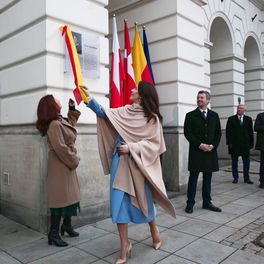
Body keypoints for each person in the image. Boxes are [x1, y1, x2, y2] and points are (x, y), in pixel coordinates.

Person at [82, 82, 176, 264]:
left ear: (141, 96)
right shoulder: (125, 111)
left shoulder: (153, 119)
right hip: (120, 164)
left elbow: (155, 145)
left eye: (135, 89)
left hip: (140, 167)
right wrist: (89, 98)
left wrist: (131, 147)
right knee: (118, 204)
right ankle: (124, 245)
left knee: (144, 202)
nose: (132, 90)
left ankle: (154, 230)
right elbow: (104, 113)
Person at [36, 95, 81, 247]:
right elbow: (60, 147)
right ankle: (53, 234)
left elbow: (71, 126)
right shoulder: (54, 124)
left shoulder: (59, 120)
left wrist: (72, 109)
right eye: (55, 99)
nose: (58, 100)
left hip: (65, 163)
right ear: (52, 105)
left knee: (70, 197)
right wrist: (74, 159)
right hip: (60, 164)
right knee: (60, 199)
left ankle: (66, 225)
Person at [184, 90, 222, 214]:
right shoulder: (190, 115)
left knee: (208, 178)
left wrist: (212, 146)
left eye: (202, 97)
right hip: (196, 151)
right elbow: (187, 133)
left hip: (210, 152)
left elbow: (218, 133)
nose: (199, 99)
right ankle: (190, 203)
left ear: (208, 100)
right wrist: (200, 145)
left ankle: (207, 202)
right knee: (193, 178)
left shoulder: (214, 115)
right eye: (198, 97)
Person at [225, 104, 254, 184]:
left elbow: (250, 132)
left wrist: (251, 143)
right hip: (234, 144)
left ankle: (246, 178)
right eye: (238, 108)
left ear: (244, 110)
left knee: (246, 162)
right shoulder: (231, 119)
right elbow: (228, 132)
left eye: (241, 108)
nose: (239, 110)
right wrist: (229, 143)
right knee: (234, 162)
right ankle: (235, 178)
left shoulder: (248, 119)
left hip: (245, 144)